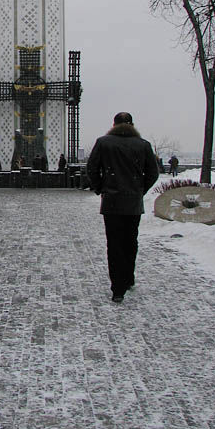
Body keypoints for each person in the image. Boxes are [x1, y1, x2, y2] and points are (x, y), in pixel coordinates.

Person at [87, 111, 158, 303]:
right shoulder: (143, 145)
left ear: (114, 124)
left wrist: (101, 188)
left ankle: (117, 288)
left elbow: (92, 168)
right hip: (133, 202)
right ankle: (128, 277)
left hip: (112, 201)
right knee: (130, 240)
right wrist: (139, 190)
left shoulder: (104, 142)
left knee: (115, 242)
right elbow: (153, 173)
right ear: (132, 125)